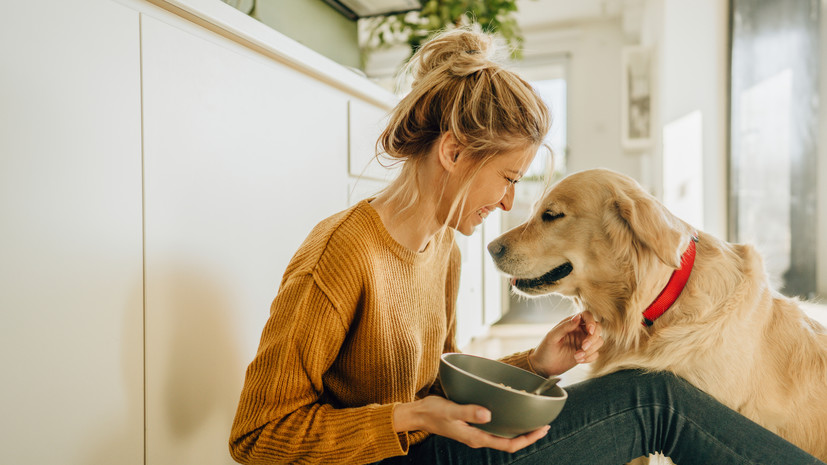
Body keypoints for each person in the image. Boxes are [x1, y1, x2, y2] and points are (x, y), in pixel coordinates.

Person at [229, 28, 825, 465]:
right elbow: (255, 439)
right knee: (656, 401)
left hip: (434, 448)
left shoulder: (443, 251)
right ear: (456, 153)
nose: (509, 204)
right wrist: (407, 417)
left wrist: (535, 366)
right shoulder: (342, 253)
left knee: (648, 399)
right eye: (510, 179)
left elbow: (440, 389)